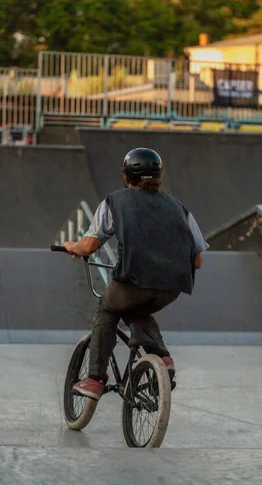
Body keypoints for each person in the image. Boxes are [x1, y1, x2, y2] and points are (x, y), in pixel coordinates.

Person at [64, 147, 208, 401]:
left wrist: (71, 247)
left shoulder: (115, 201)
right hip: (172, 286)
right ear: (158, 177)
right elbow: (197, 261)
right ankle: (162, 356)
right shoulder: (180, 208)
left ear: (126, 176)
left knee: (108, 309)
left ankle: (95, 379)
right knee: (136, 308)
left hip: (133, 279)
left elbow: (89, 246)